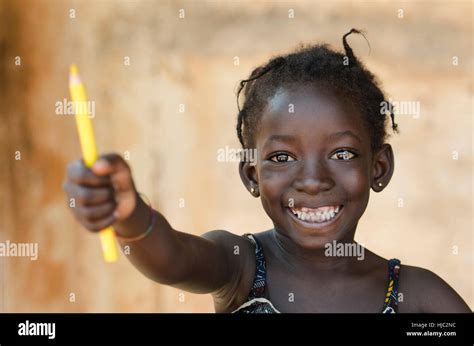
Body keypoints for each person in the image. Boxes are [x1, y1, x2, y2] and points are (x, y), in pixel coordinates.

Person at [63, 29, 471, 313]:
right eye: (281, 158)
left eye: (342, 153)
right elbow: (174, 259)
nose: (313, 180)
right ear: (251, 175)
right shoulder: (238, 267)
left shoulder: (416, 297)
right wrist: (131, 218)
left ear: (379, 168)